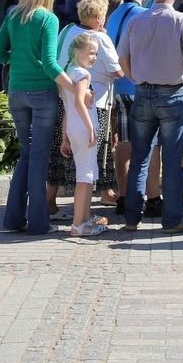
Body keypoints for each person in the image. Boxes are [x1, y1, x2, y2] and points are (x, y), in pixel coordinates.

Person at [117, 0, 183, 234]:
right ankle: (172, 220)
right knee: (172, 160)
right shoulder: (182, 20)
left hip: (143, 93)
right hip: (172, 94)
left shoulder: (136, 20)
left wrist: (135, 78)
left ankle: (132, 219)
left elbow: (122, 57)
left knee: (140, 158)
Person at [0, 0, 75, 234]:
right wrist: (73, 88)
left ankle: (13, 218)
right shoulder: (48, 19)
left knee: (26, 156)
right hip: (42, 93)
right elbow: (50, 63)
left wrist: (17, 60)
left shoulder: (13, 15)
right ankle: (39, 222)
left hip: (16, 91)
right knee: (38, 158)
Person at [50, 0, 122, 214]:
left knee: (59, 156)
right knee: (91, 162)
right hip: (94, 103)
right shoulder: (99, 39)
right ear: (99, 17)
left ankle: (50, 201)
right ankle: (84, 214)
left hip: (65, 99)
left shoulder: (66, 30)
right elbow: (117, 71)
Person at [106, 0, 153, 215]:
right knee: (146, 144)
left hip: (119, 87)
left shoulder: (112, 16)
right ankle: (147, 195)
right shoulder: (143, 16)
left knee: (124, 141)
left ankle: (124, 196)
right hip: (139, 86)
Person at [59, 33, 107, 237]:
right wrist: (90, 129)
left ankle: (84, 218)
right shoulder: (83, 74)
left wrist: (64, 136)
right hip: (83, 128)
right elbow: (79, 102)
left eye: (96, 54)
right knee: (85, 177)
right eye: (91, 53)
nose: (94, 57)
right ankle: (78, 224)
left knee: (86, 174)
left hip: (73, 128)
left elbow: (67, 106)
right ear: (78, 52)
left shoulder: (69, 71)